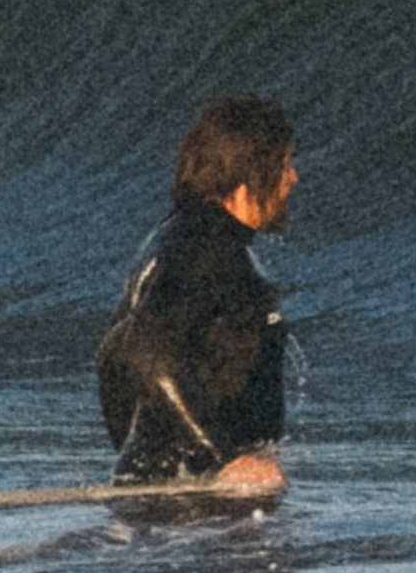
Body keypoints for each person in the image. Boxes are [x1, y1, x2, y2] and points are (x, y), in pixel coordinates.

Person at [96, 96, 298, 492]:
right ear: (253, 169)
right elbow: (144, 346)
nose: (292, 178)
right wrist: (225, 459)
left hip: (177, 495)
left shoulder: (177, 235)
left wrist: (138, 457)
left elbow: (111, 355)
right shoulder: (208, 247)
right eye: (286, 163)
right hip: (196, 503)